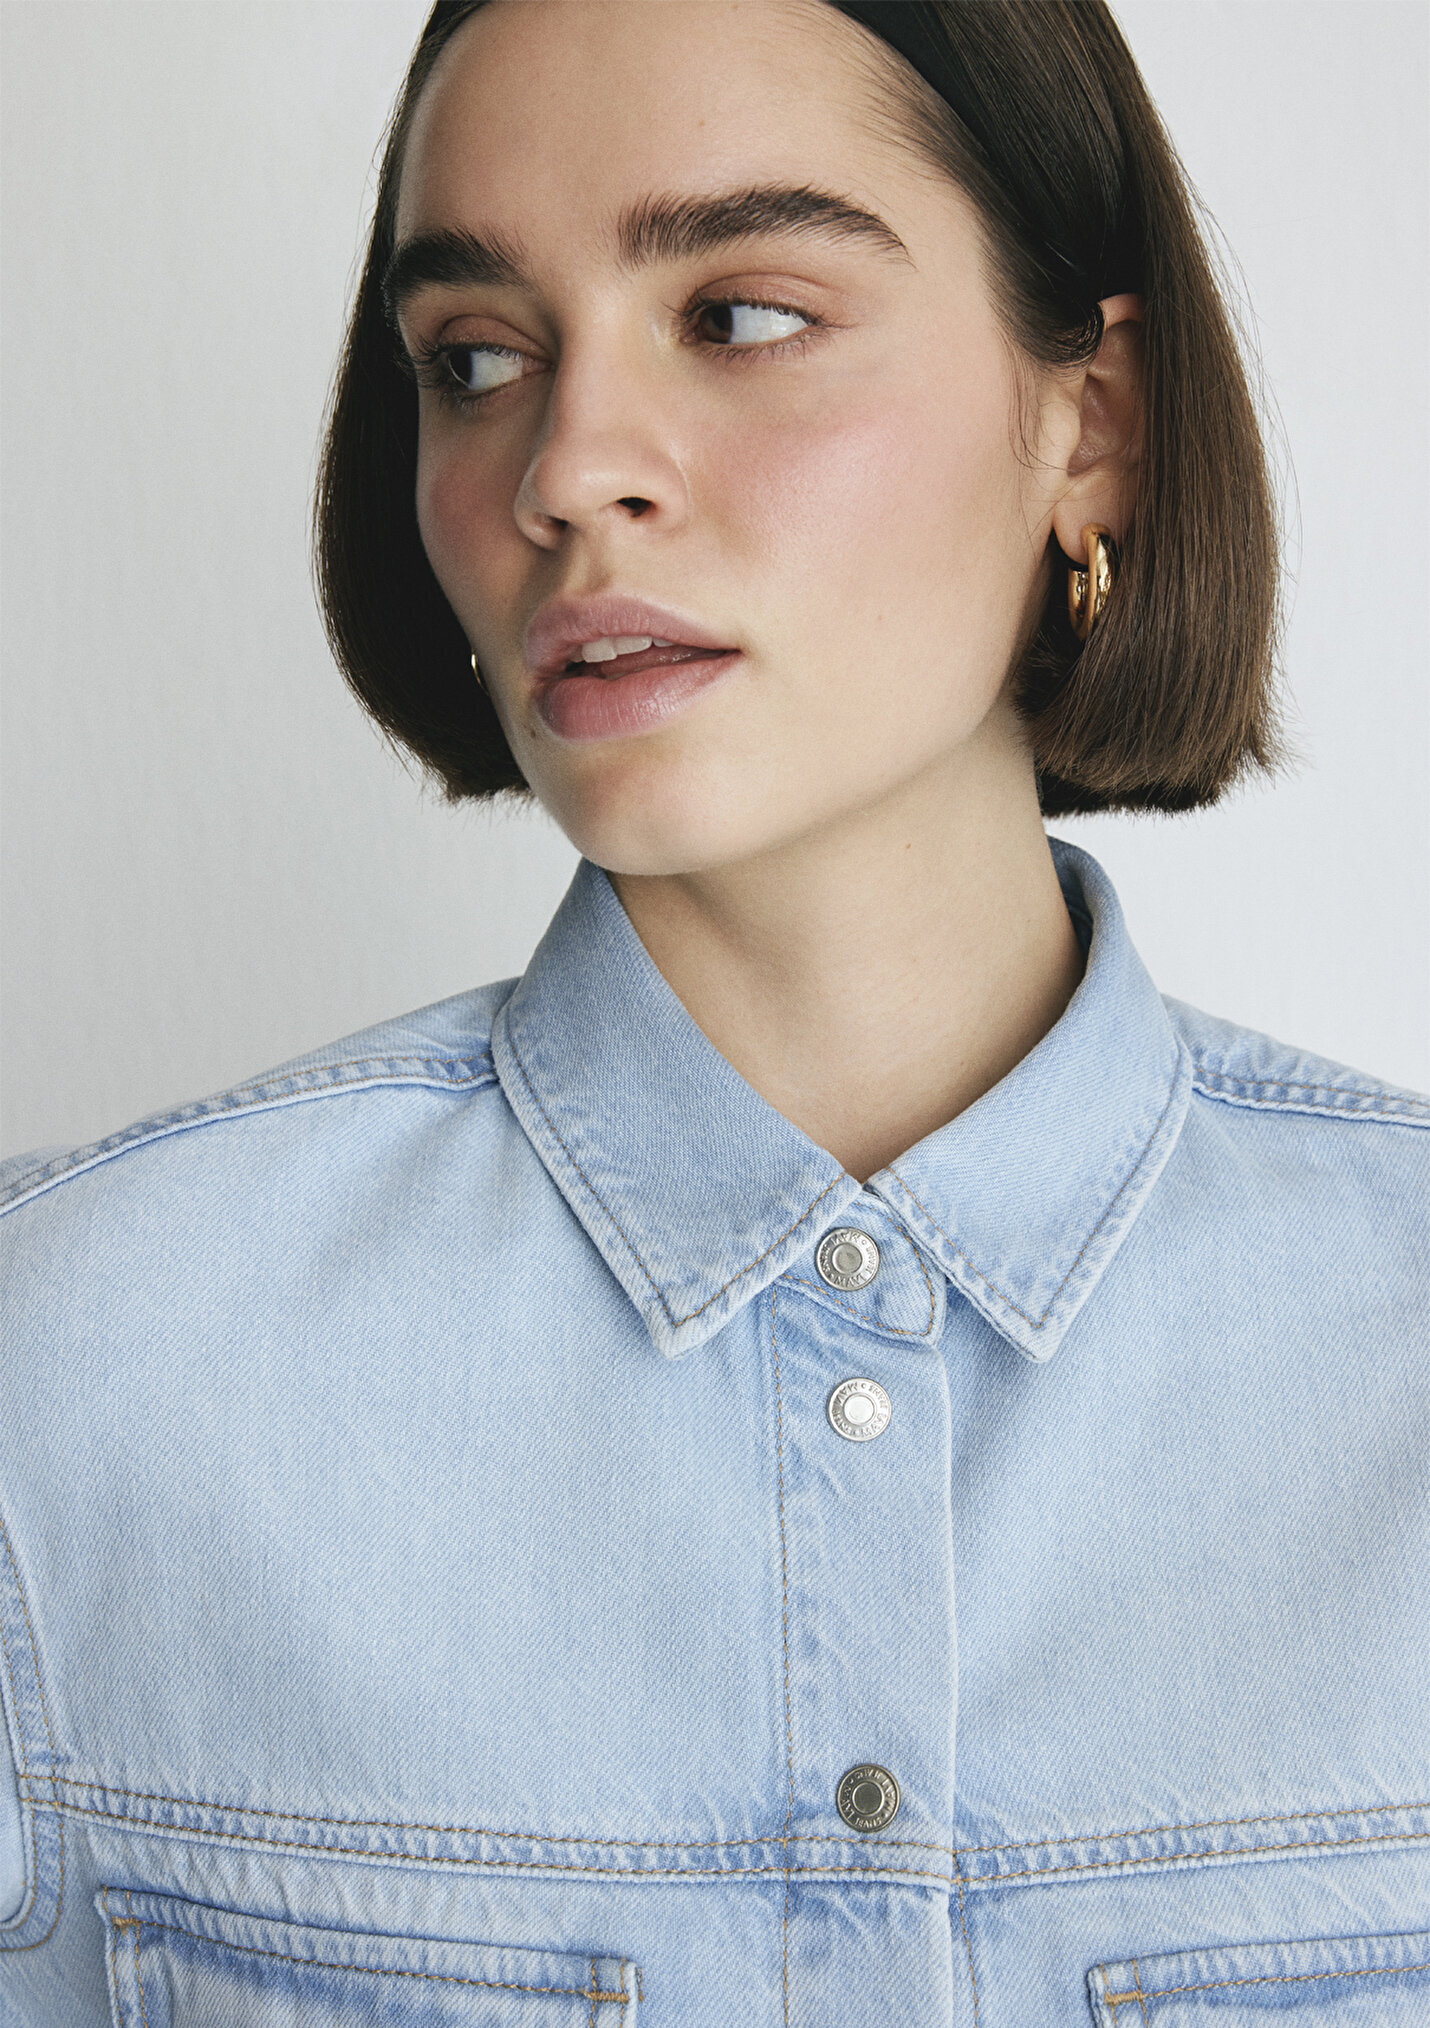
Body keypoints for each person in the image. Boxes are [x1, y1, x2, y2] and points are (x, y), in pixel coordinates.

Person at [1, 2, 1425, 2022]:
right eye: (473, 359)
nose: (568, 470)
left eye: (742, 317)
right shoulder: (69, 1384)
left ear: (1091, 425)